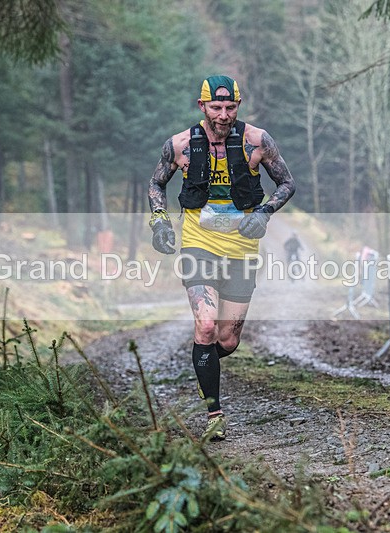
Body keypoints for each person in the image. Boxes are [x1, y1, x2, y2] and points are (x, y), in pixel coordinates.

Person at [148, 75, 296, 441]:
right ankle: (214, 413)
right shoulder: (180, 145)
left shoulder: (257, 141)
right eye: (216, 107)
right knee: (207, 325)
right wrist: (159, 222)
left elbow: (288, 183)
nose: (224, 114)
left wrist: (264, 213)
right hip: (198, 242)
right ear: (202, 107)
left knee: (227, 340)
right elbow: (156, 184)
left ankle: (203, 359)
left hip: (242, 248)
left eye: (231, 107)